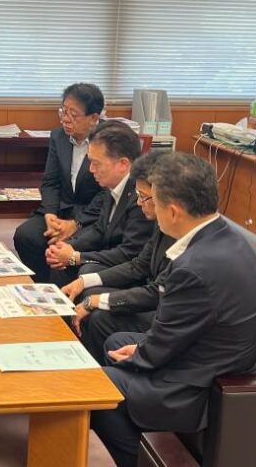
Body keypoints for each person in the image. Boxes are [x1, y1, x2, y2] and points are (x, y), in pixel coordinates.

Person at [91, 154, 256, 467]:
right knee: (117, 342)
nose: (147, 208)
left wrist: (140, 354)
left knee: (98, 386)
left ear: (172, 211)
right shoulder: (225, 236)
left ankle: (137, 459)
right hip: (217, 356)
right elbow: (169, 334)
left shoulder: (193, 268)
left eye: (153, 202)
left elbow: (160, 349)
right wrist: (140, 350)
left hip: (200, 385)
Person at [61, 150, 176, 361]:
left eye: (143, 196)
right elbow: (138, 265)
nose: (139, 202)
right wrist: (84, 282)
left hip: (166, 314)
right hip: (153, 297)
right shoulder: (164, 223)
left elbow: (156, 292)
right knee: (88, 290)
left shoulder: (180, 230)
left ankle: (97, 372)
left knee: (99, 316)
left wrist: (97, 301)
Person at [14, 83, 105, 282]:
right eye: (63, 111)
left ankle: (63, 291)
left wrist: (76, 223)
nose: (65, 119)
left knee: (63, 250)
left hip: (93, 217)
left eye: (73, 115)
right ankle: (45, 286)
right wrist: (50, 214)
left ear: (94, 118)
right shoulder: (58, 136)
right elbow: (50, 181)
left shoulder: (108, 140)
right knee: (25, 235)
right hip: (61, 210)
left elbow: (107, 193)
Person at [46, 120, 154, 288]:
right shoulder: (112, 186)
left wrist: (76, 257)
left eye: (96, 163)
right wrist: (68, 246)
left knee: (85, 269)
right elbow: (100, 229)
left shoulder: (142, 198)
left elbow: (130, 253)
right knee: (60, 261)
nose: (91, 169)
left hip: (131, 269)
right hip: (110, 255)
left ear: (123, 164)